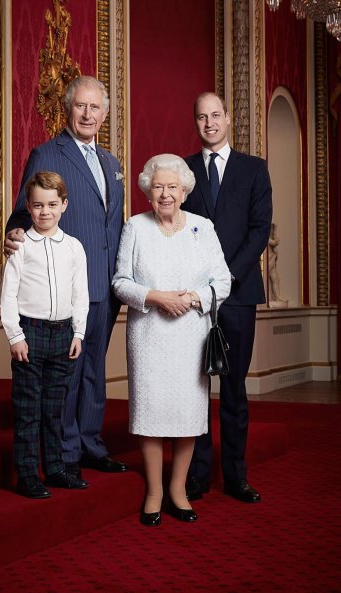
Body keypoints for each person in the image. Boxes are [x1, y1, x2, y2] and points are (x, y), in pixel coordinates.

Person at [4, 76, 128, 479]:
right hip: (67, 285)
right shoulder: (47, 153)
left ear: (104, 114)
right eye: (81, 106)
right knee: (68, 375)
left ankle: (91, 443)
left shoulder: (111, 162)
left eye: (95, 108)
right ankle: (64, 451)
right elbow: (24, 211)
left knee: (95, 369)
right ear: (68, 109)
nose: (88, 114)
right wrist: (15, 232)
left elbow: (113, 224)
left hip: (107, 285)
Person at [112, 154, 231, 526]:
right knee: (150, 413)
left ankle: (178, 489)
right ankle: (154, 491)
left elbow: (223, 281)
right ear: (148, 190)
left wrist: (193, 298)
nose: (166, 194)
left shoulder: (203, 227)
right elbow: (120, 282)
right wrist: (156, 297)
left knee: (187, 414)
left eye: (173, 187)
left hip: (190, 335)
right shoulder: (135, 226)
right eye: (158, 186)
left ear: (184, 190)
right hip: (148, 334)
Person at [183, 92, 272, 503]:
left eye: (215, 115)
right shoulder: (181, 171)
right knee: (197, 388)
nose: (209, 123)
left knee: (234, 388)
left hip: (237, 295)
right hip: (195, 298)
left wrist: (227, 278)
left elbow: (259, 231)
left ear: (228, 119)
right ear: (196, 122)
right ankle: (198, 474)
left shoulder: (254, 170)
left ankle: (236, 475)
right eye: (202, 117)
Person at [0, 171, 90, 498]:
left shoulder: (75, 248)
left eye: (52, 204)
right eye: (38, 205)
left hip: (63, 334)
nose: (45, 212)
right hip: (30, 333)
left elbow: (81, 293)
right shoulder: (21, 245)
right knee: (28, 408)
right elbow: (7, 295)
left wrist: (78, 332)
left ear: (64, 205)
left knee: (54, 408)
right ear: (28, 206)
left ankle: (54, 469)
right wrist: (14, 336)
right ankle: (27, 474)